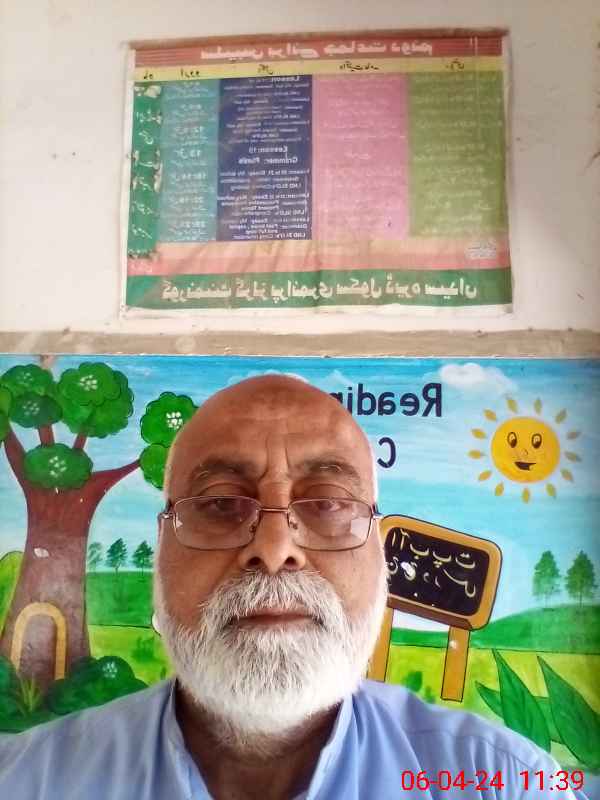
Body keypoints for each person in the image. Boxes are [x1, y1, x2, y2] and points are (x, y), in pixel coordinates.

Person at [0, 376, 590, 799]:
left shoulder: (503, 782)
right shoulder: (28, 780)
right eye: (221, 503)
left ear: (379, 556)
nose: (275, 547)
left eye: (328, 504)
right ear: (162, 553)